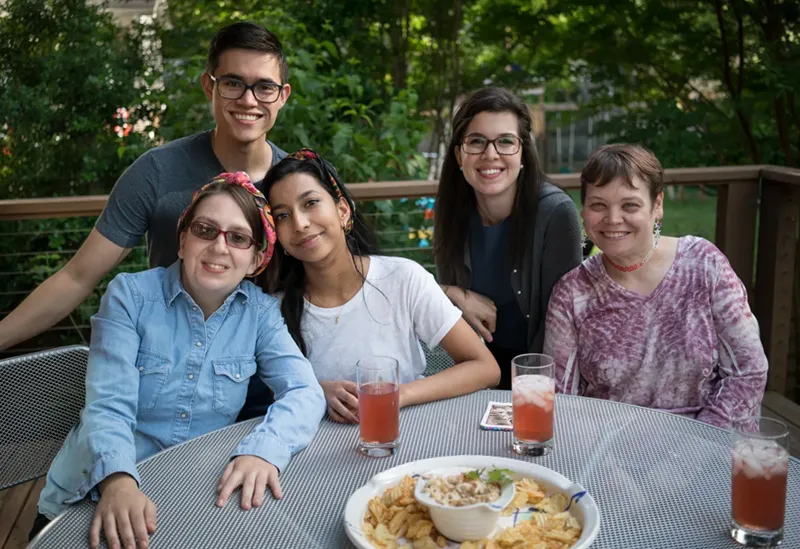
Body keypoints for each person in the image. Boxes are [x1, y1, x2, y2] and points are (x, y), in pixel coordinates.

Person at [0, 21, 292, 419]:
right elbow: (77, 277)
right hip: (172, 392)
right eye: (233, 83)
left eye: (264, 86)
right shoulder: (156, 172)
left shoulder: (292, 185)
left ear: (282, 96)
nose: (248, 99)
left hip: (273, 387)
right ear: (209, 86)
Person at [31, 173, 325, 548]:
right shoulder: (130, 297)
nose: (220, 247)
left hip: (187, 496)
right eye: (206, 230)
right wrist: (118, 482)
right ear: (183, 240)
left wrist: (264, 452)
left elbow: (304, 390)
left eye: (238, 237)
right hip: (89, 494)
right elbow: (107, 406)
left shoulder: (260, 313)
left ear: (255, 260)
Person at [260, 149, 500, 423]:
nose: (300, 223)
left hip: (413, 436)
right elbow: (274, 395)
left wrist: (397, 395)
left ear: (342, 211)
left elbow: (485, 368)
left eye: (311, 203)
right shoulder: (273, 311)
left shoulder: (403, 278)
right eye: (282, 216)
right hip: (323, 454)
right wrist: (317, 392)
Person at [543, 143, 767, 427]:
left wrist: (699, 448)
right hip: (610, 452)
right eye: (598, 205)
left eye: (630, 205)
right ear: (584, 211)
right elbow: (562, 398)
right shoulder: (572, 293)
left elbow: (747, 372)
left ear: (657, 205)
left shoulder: (704, 265)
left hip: (707, 444)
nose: (613, 219)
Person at [433, 87, 582, 389]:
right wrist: (452, 293)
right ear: (460, 154)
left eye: (505, 141)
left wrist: (529, 391)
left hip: (540, 374)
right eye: (476, 141)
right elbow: (444, 309)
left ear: (523, 152)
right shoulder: (451, 210)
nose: (491, 154)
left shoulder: (555, 213)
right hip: (472, 366)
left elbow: (563, 323)